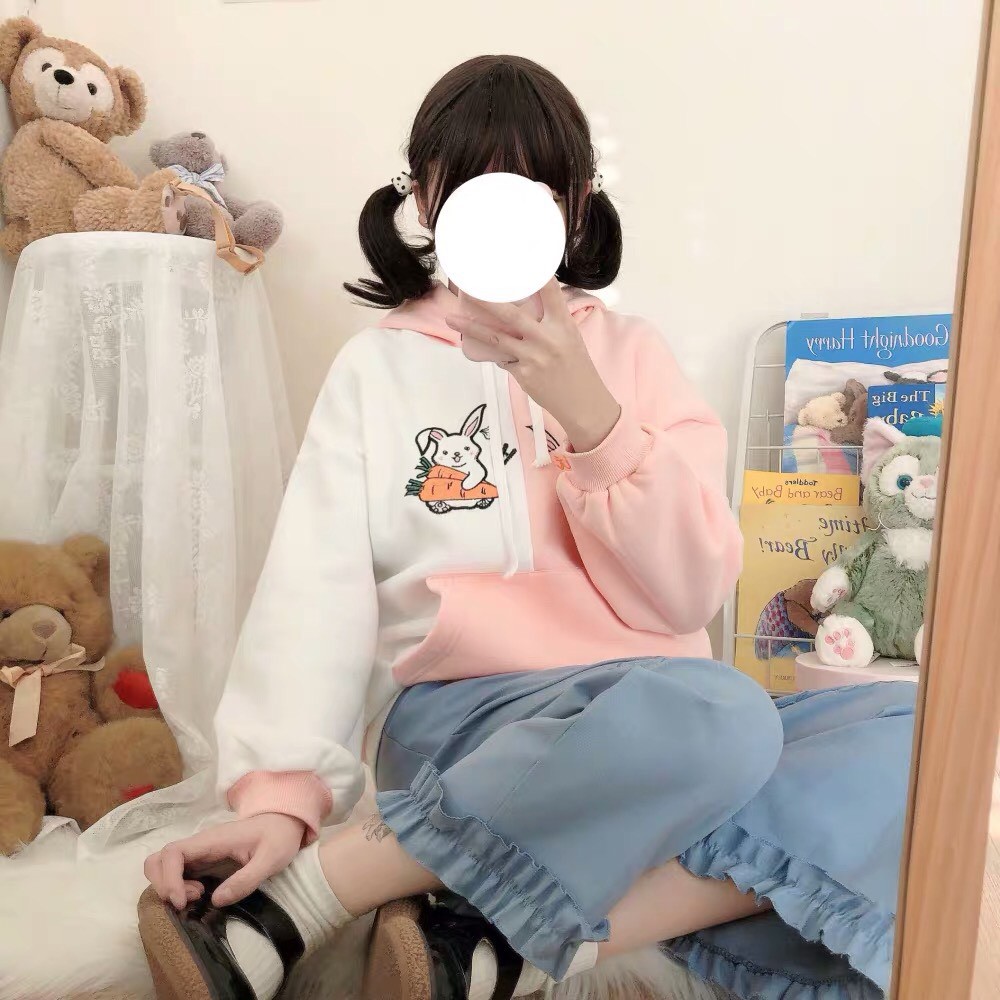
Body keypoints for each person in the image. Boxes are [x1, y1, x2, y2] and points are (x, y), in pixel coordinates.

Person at [139, 55, 915, 1000]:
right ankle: (300, 900)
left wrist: (593, 418)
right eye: (473, 189)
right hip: (476, 727)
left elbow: (690, 597)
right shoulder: (380, 370)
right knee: (723, 715)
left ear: (576, 206)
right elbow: (314, 588)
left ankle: (490, 945)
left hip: (673, 725)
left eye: (535, 190)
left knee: (913, 733)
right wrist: (279, 797)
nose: (505, 214)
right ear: (425, 201)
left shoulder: (635, 357)